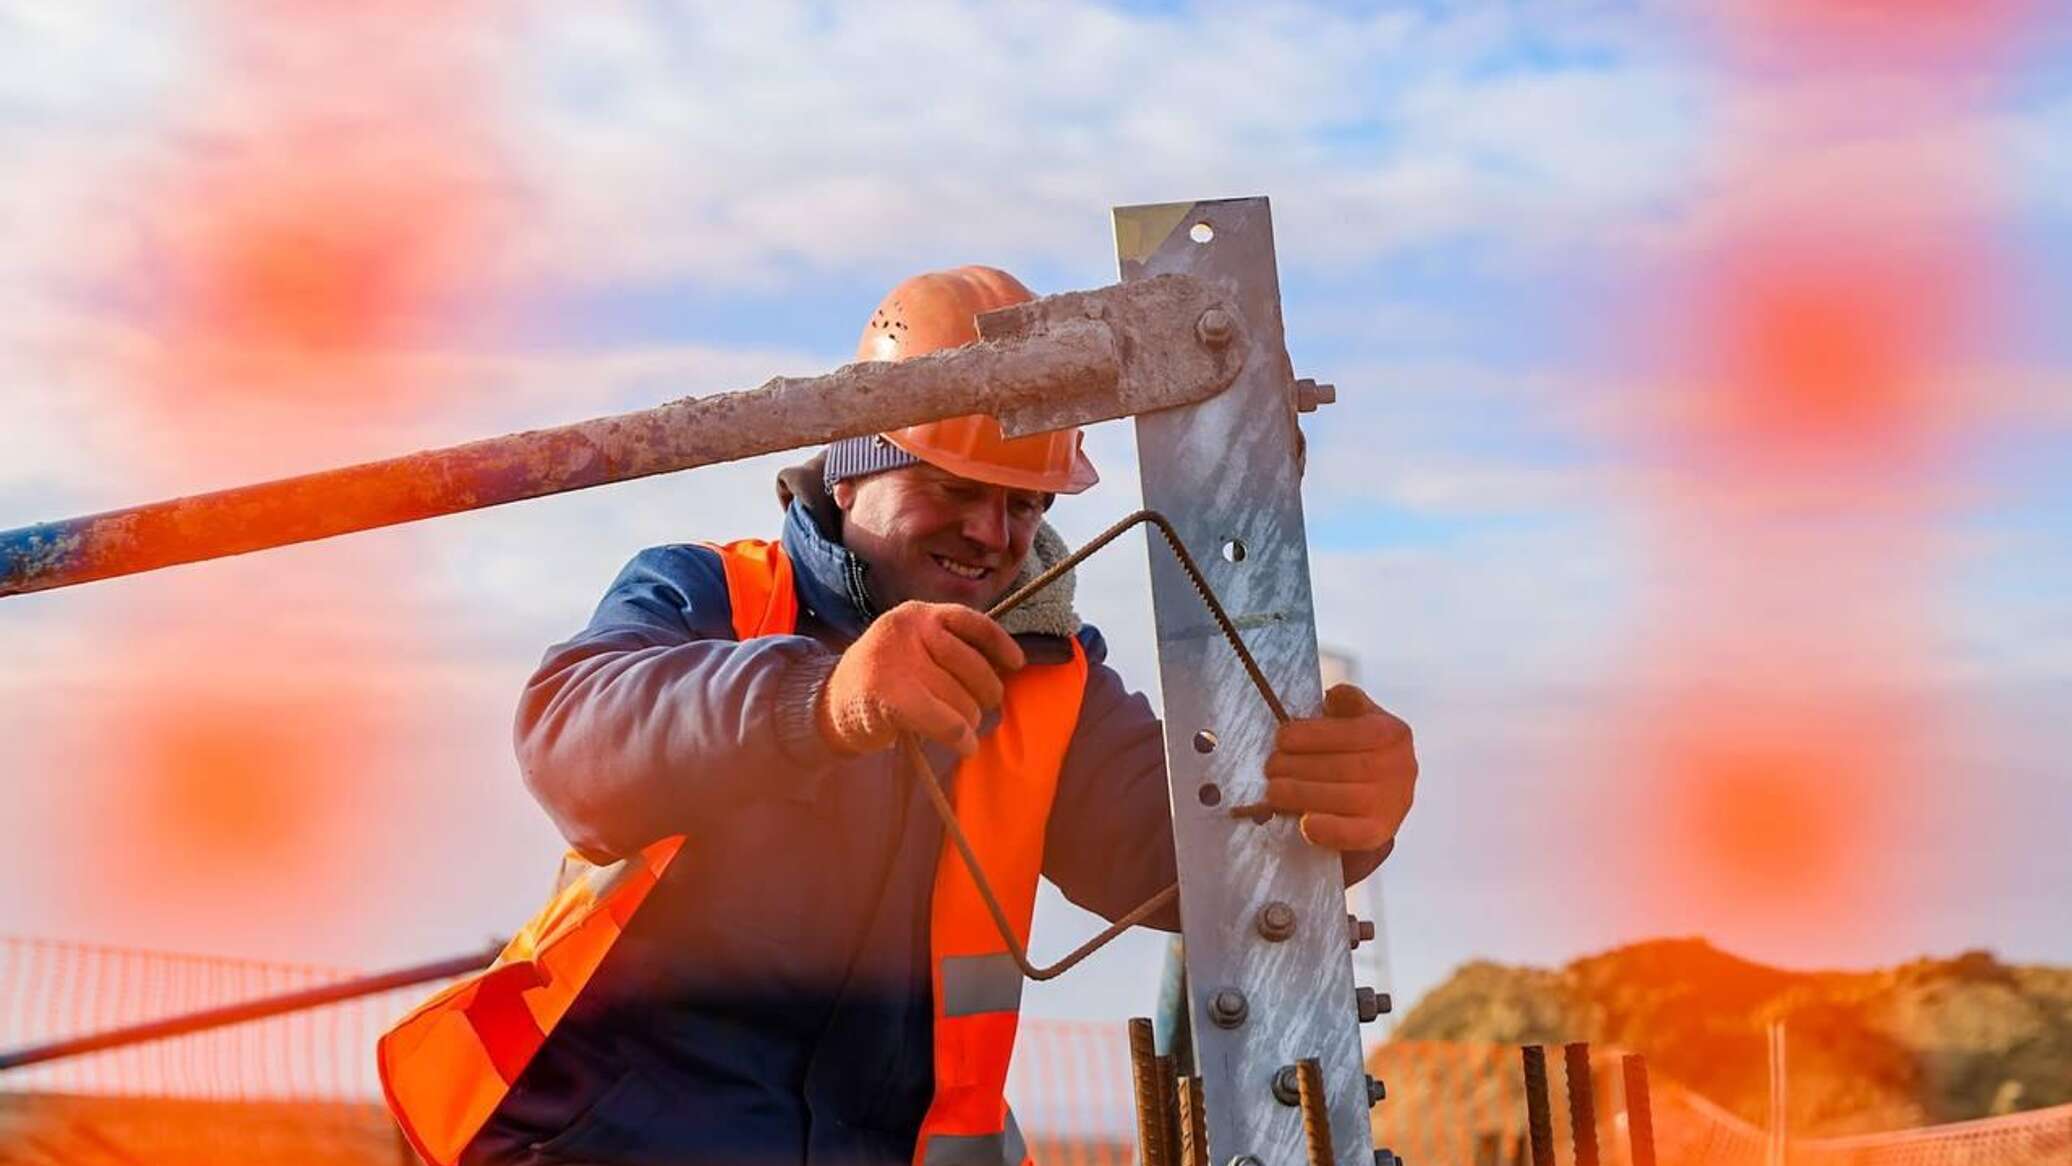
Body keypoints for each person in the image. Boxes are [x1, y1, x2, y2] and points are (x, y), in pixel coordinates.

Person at [449, 266, 1418, 1165]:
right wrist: (825, 700)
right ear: (851, 471)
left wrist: (1336, 813)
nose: (991, 534)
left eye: (1024, 504)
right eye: (953, 489)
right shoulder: (710, 593)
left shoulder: (1048, 679)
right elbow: (569, 742)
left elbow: (1185, 860)